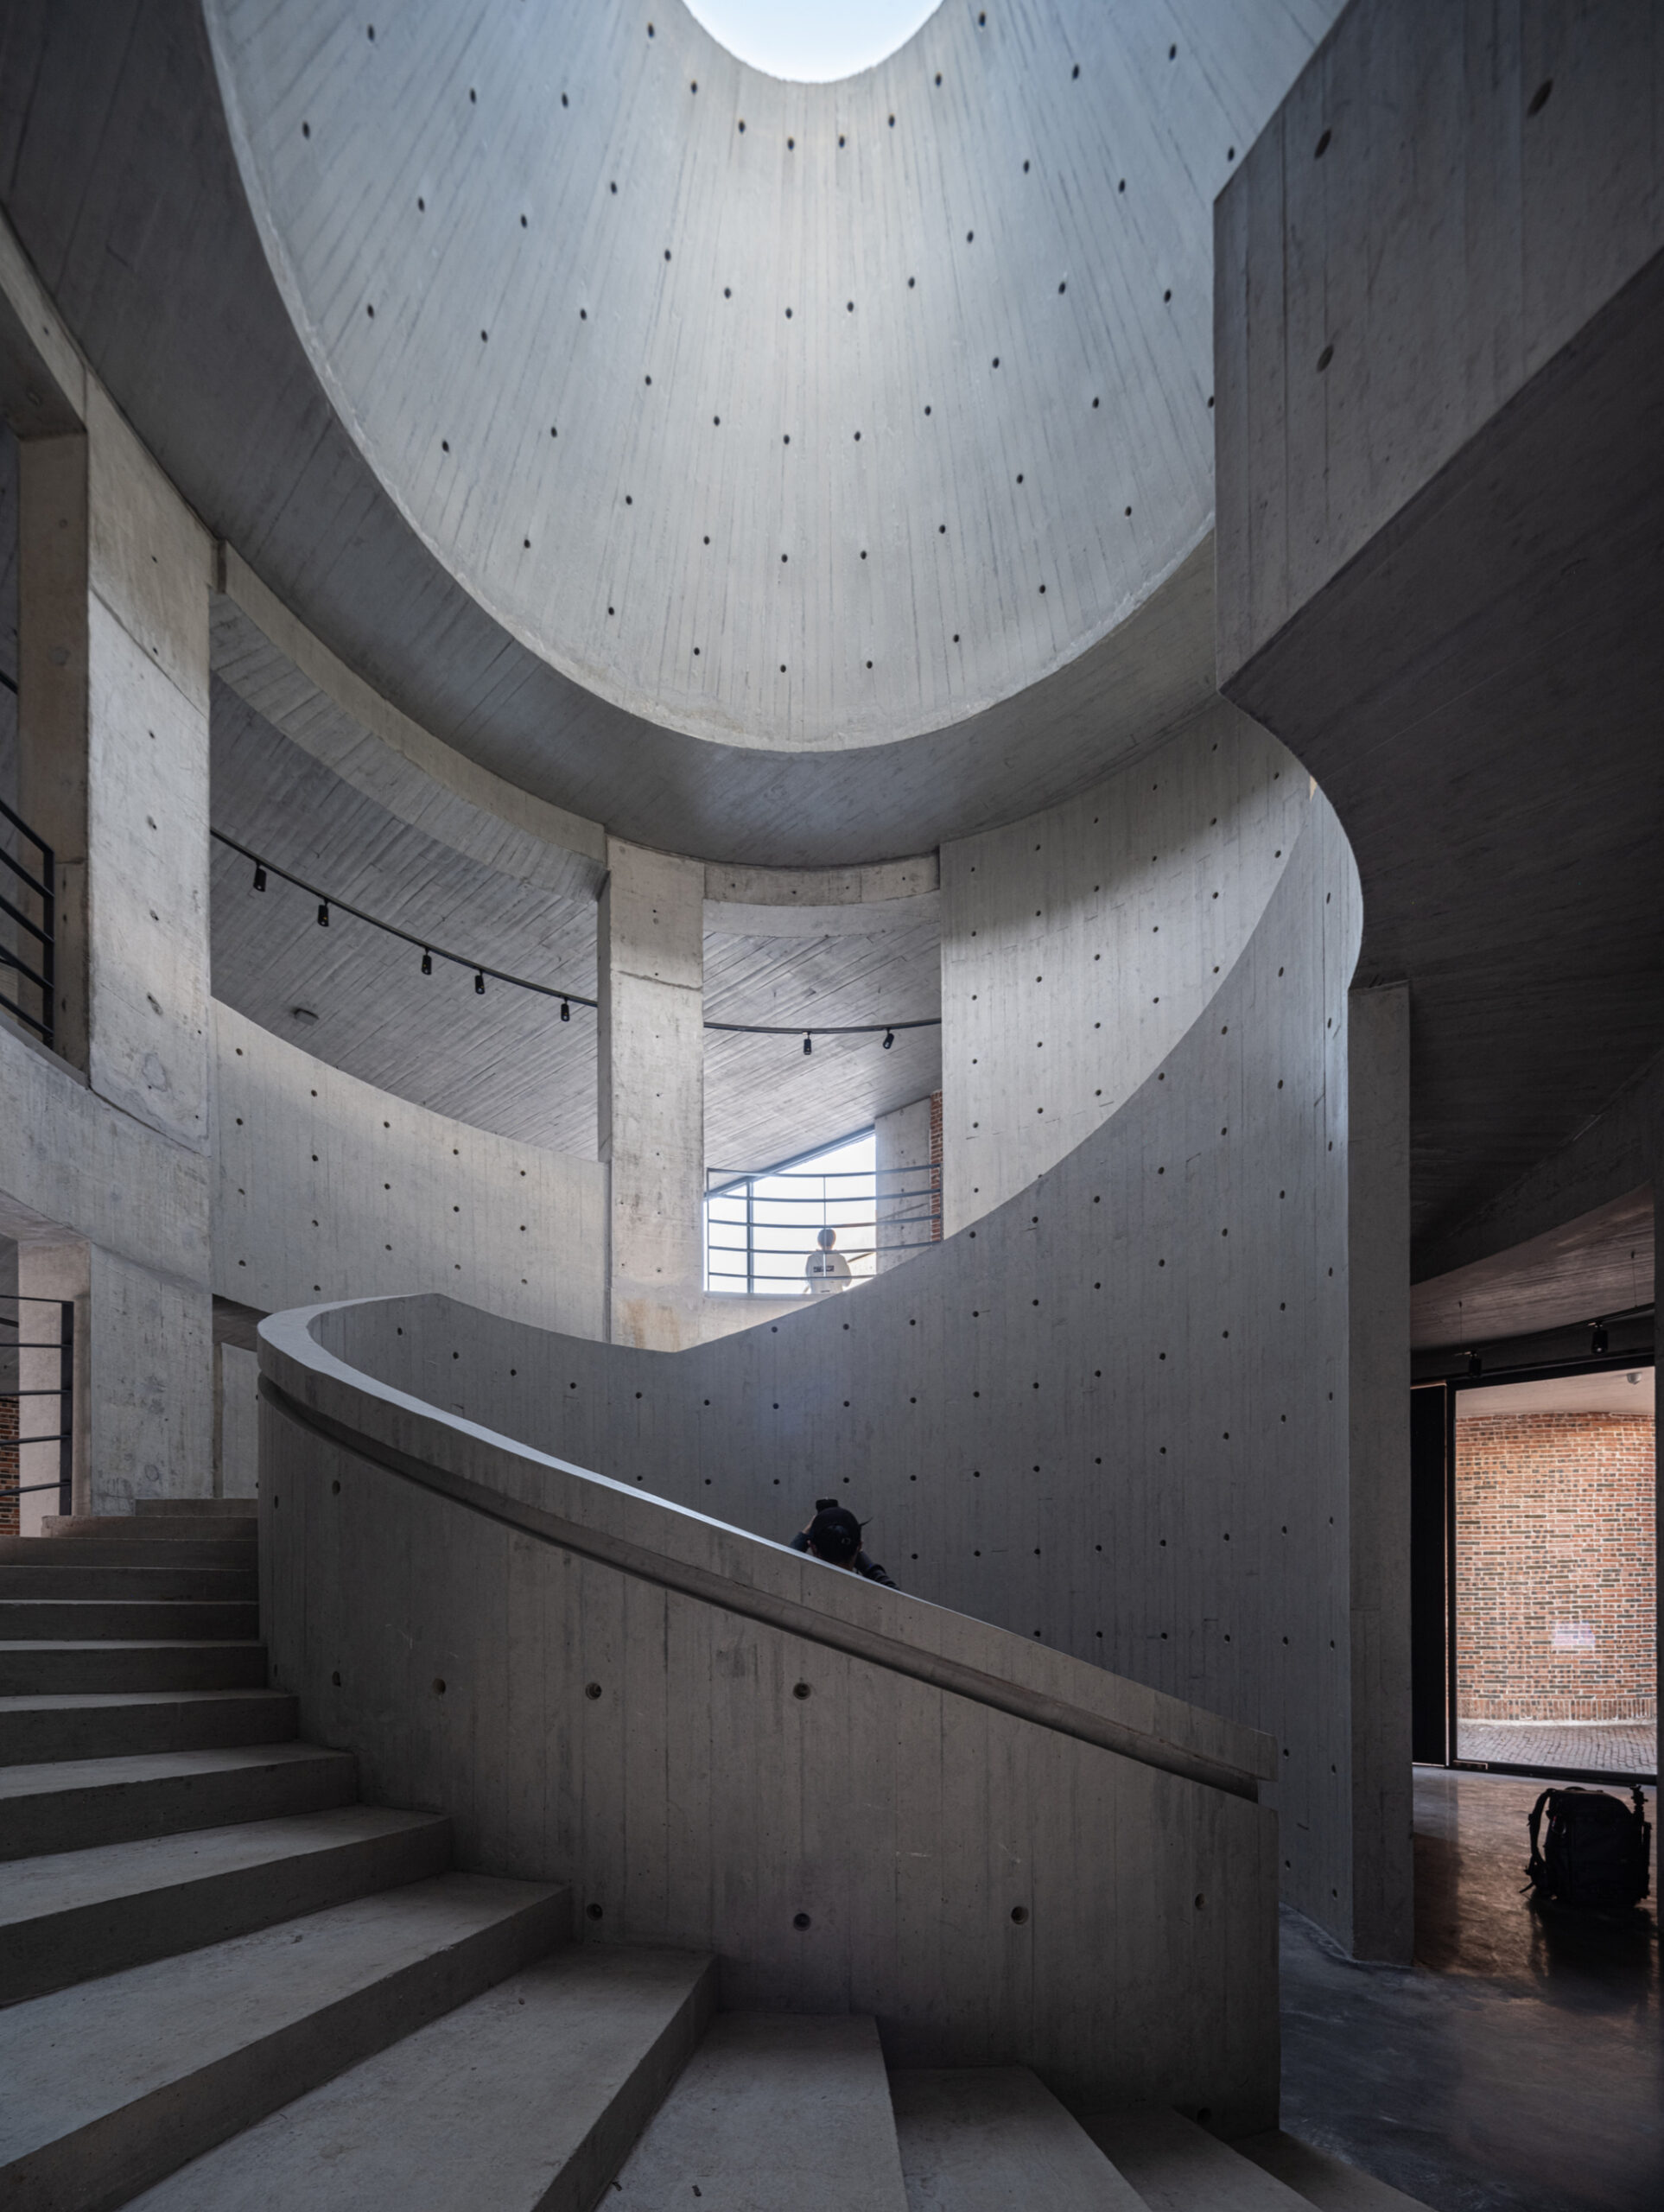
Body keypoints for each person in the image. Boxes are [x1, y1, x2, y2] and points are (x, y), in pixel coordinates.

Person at [790, 1497, 897, 1586]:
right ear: (859, 1546)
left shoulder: (796, 1591)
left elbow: (780, 1569)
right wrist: (855, 1550)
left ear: (813, 1547)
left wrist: (803, 1537)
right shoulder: (879, 1598)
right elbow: (892, 1590)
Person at [803, 1225, 854, 1293]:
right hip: (836, 1299)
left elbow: (808, 1281)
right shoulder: (840, 1259)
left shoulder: (811, 1259)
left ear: (818, 1242)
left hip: (815, 1299)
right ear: (834, 1241)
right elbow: (847, 1282)